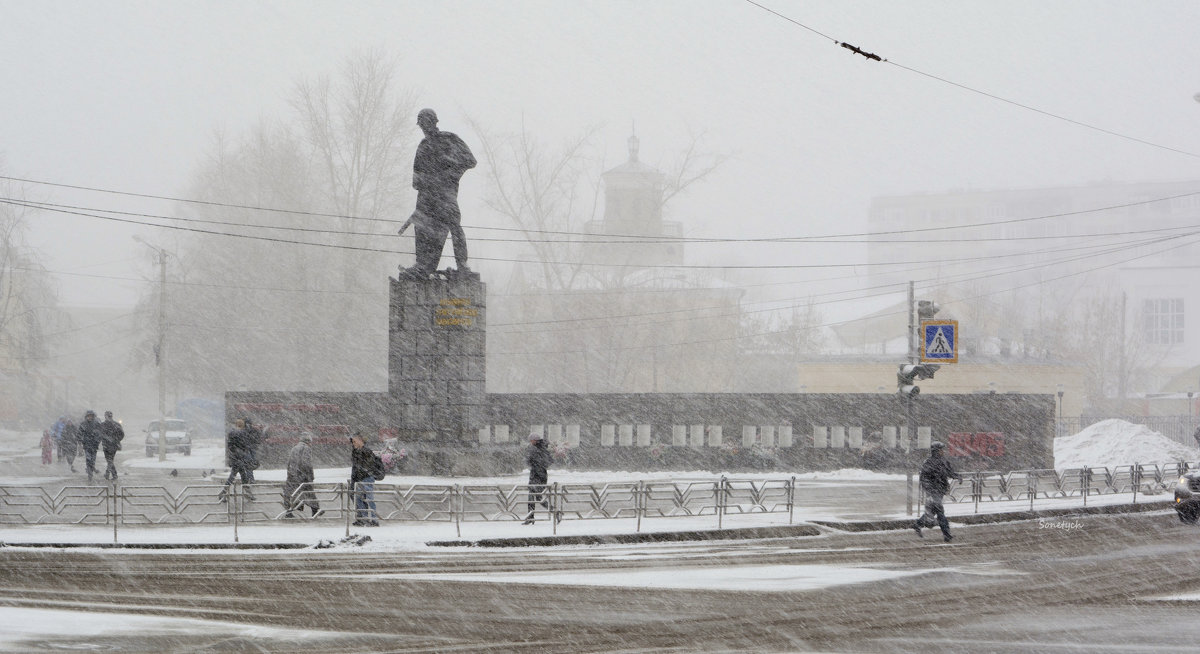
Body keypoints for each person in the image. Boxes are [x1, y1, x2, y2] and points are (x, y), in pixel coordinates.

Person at [402, 108, 477, 276]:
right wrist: (426, 181)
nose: (423, 127)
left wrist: (448, 169)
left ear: (434, 122)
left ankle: (462, 264)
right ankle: (423, 265)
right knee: (422, 228)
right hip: (426, 197)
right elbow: (416, 180)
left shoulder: (449, 139)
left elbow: (470, 161)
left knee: (454, 226)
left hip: (445, 193)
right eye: (421, 125)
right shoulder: (422, 147)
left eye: (425, 123)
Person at [913, 441, 963, 542]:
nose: (942, 451)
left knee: (933, 511)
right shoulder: (929, 462)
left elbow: (949, 472)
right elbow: (924, 478)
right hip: (934, 491)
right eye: (941, 450)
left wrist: (957, 476)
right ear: (936, 451)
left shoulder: (943, 461)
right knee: (940, 513)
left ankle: (918, 524)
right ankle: (947, 535)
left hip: (940, 490)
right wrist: (930, 491)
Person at [283, 433, 321, 519]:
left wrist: (290, 474)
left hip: (292, 475)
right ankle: (315, 510)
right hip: (302, 476)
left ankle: (289, 512)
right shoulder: (306, 448)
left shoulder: (294, 448)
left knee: (292, 494)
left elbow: (289, 463)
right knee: (309, 493)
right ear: (308, 441)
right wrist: (310, 476)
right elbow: (306, 463)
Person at [523, 433, 557, 525]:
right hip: (537, 475)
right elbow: (547, 461)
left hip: (538, 476)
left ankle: (554, 512)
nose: (531, 442)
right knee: (533, 498)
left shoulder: (539, 449)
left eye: (531, 440)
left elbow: (540, 462)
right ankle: (530, 517)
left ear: (535, 440)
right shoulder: (539, 449)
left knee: (537, 498)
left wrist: (534, 464)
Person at [349, 432, 381, 527]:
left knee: (368, 499)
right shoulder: (355, 451)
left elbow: (367, 466)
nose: (353, 443)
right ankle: (364, 518)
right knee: (359, 498)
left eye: (355, 441)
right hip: (359, 478)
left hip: (366, 478)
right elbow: (355, 466)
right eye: (352, 442)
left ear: (360, 441)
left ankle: (373, 519)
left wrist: (362, 472)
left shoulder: (366, 451)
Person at [220, 419, 256, 502]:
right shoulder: (242, 433)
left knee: (238, 477)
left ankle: (224, 493)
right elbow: (245, 446)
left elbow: (231, 446)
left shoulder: (232, 433)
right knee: (236, 477)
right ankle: (224, 494)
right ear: (242, 425)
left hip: (235, 459)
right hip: (239, 459)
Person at [77, 410, 102, 483]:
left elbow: (100, 433)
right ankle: (89, 473)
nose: (89, 417)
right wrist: (80, 441)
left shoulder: (96, 424)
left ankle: (91, 469)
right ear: (86, 416)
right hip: (87, 445)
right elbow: (79, 433)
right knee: (88, 459)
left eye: (91, 416)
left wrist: (97, 440)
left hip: (94, 445)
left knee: (93, 460)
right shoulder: (83, 424)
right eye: (88, 416)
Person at [99, 410, 125, 481]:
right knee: (109, 460)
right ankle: (114, 474)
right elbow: (121, 434)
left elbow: (121, 434)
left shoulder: (104, 425)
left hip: (111, 445)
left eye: (109, 416)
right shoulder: (115, 424)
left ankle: (108, 473)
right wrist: (116, 440)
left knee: (109, 460)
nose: (108, 417)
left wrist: (115, 440)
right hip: (109, 445)